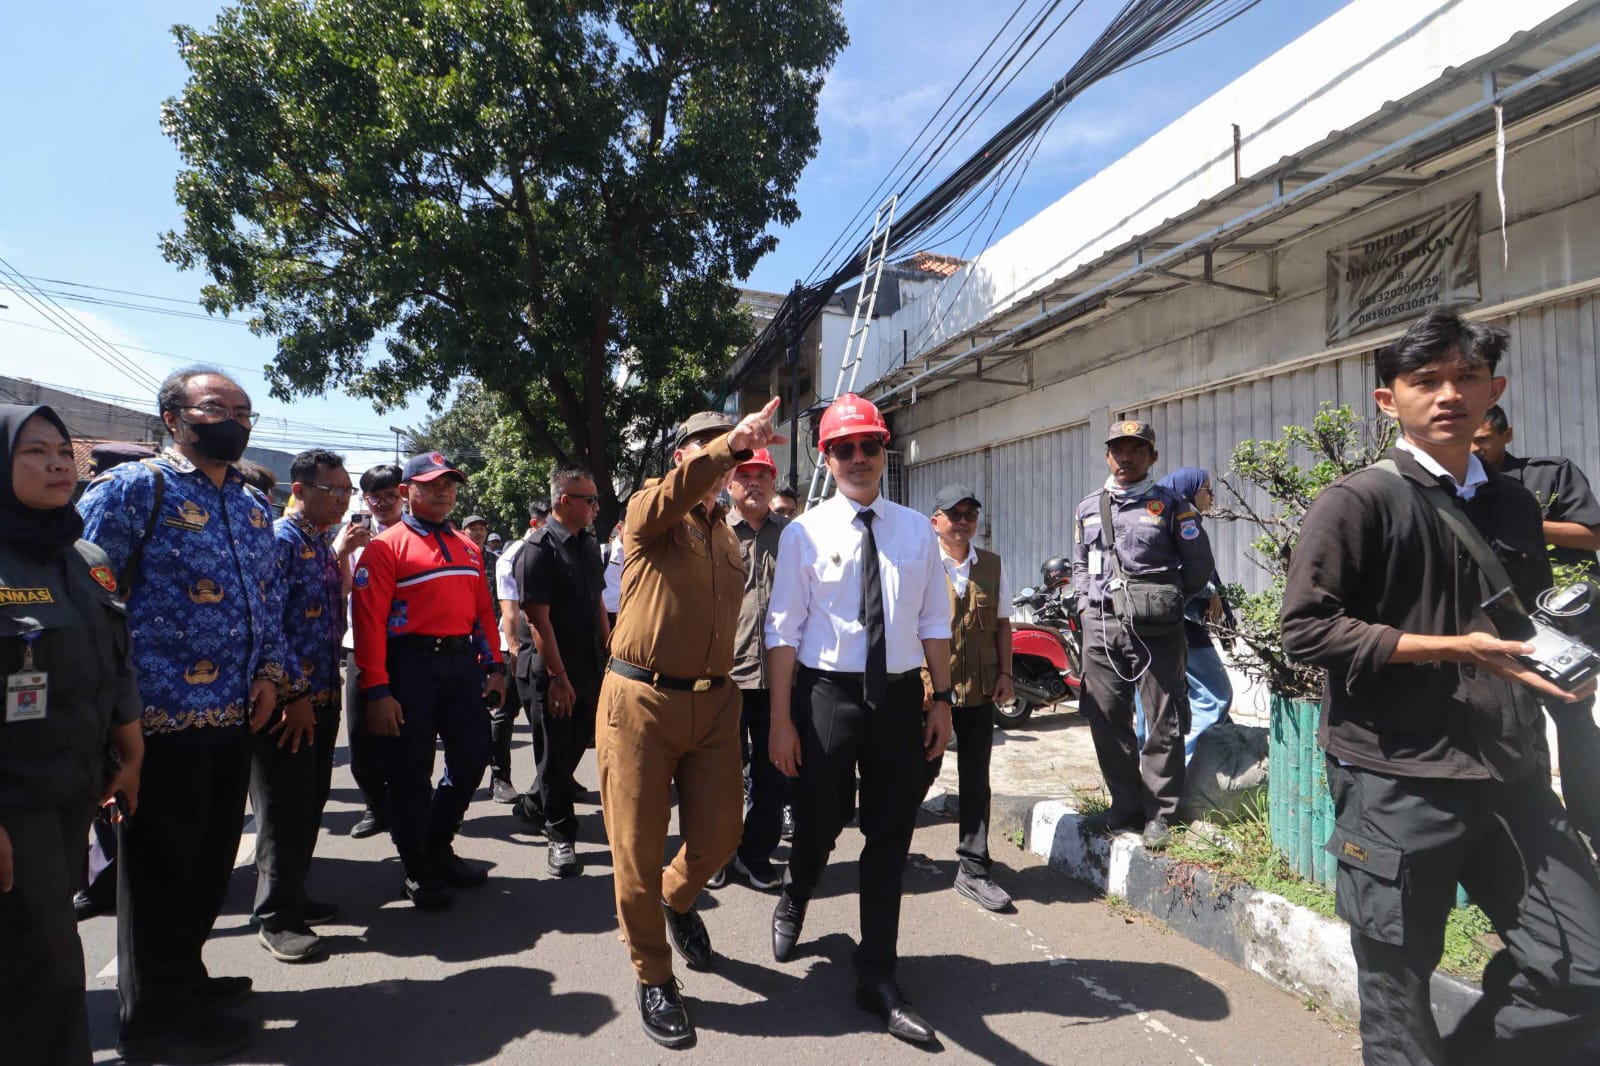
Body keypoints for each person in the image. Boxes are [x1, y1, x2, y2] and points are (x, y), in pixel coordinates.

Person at [1281, 310, 1600, 1065]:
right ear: (1388, 399)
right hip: (1398, 782)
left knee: (1583, 966)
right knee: (1398, 987)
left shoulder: (1518, 504)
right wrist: (1453, 649)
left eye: (1466, 378)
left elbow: (1526, 625)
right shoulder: (1358, 502)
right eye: (1425, 381)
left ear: (1495, 391)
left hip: (1512, 777)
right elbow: (1307, 631)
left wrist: (1559, 670)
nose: (1448, 394)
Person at [79, 367, 286, 1063]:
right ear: (174, 418)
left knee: (206, 865)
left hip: (233, 715)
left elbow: (269, 602)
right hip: (155, 722)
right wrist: (112, 715)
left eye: (241, 410)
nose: (230, 418)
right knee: (161, 872)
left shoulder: (256, 509)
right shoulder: (136, 490)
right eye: (213, 408)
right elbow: (90, 600)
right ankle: (151, 1020)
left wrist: (268, 674)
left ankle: (185, 979)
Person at [766, 392, 954, 1046]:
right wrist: (780, 722)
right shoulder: (803, 533)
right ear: (826, 456)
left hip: (899, 698)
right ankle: (796, 888)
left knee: (889, 837)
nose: (857, 458)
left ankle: (876, 973)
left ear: (884, 451)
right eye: (843, 448)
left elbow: (934, 621)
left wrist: (943, 698)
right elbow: (783, 631)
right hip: (825, 696)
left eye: (868, 445)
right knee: (818, 820)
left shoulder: (914, 531)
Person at [597, 399, 784, 1048]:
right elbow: (676, 492)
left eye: (726, 444)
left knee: (721, 836)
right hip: (641, 703)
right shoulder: (651, 511)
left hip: (715, 704)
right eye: (704, 445)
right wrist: (728, 446)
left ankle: (678, 898)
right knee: (636, 853)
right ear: (685, 455)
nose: (721, 452)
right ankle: (653, 973)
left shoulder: (729, 535)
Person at [0, 405, 144, 1066]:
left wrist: (131, 747)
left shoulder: (86, 559)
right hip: (13, 799)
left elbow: (113, 659)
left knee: (39, 951)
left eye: (64, 450)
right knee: (50, 965)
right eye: (36, 451)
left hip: (75, 786)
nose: (59, 463)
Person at [352, 452, 505, 909]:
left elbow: (483, 612)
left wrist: (495, 666)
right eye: (432, 484)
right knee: (410, 773)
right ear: (406, 492)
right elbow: (368, 624)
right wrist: (376, 690)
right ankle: (418, 868)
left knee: (473, 757)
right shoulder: (385, 548)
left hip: (461, 666)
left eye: (449, 485)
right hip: (409, 666)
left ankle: (437, 843)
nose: (443, 492)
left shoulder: (468, 547)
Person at [1071, 420, 1213, 850]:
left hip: (1158, 628)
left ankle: (1160, 813)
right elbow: (1079, 561)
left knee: (1162, 720)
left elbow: (1198, 567)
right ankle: (1125, 806)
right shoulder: (1088, 508)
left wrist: (1166, 603)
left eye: (1136, 450)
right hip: (1100, 626)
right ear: (1107, 456)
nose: (1125, 458)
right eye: (1117, 450)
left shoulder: (1172, 506)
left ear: (1152, 456)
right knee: (1106, 716)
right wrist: (1083, 603)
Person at [249, 449, 366, 962]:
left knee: (309, 802)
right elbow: (268, 625)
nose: (343, 500)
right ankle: (276, 916)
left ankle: (294, 895)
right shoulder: (278, 541)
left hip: (321, 696)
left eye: (346, 491)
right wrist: (292, 693)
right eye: (333, 491)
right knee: (281, 808)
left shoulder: (319, 543)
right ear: (299, 490)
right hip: (285, 703)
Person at [1472, 404, 1600, 844]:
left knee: (1575, 719)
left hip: (1564, 621)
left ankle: (1592, 826)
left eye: (1483, 440)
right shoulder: (1459, 490)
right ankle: (1544, 830)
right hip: (1502, 625)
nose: (1474, 449)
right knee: (1518, 727)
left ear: (1507, 436)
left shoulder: (1550, 473)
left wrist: (1525, 523)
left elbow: (1593, 535)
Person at [924, 481, 1014, 912]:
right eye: (954, 514)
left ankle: (974, 868)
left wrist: (1007, 674)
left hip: (979, 689)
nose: (962, 522)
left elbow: (1001, 626)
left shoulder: (992, 565)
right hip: (928, 693)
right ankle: (891, 848)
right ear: (935, 520)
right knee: (917, 774)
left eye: (970, 515)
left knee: (976, 780)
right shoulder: (920, 564)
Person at [513, 468, 608, 877]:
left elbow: (598, 602)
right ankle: (560, 834)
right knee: (554, 756)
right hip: (554, 670)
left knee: (579, 741)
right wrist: (557, 678)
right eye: (588, 500)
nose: (595, 508)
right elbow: (537, 622)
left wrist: (611, 651)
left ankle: (535, 802)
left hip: (589, 666)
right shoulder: (538, 549)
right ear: (563, 500)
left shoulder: (587, 544)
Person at [722, 447, 790, 890]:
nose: (754, 483)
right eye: (744, 474)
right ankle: (715, 853)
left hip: (780, 677)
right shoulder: (712, 533)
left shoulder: (793, 536)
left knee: (775, 773)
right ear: (728, 483)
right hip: (724, 674)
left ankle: (754, 853)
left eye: (762, 475)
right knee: (720, 774)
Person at [1134, 467, 1234, 763]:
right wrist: (1207, 589)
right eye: (1207, 490)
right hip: (1184, 624)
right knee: (1216, 695)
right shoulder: (1182, 519)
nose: (1212, 497)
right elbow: (1178, 569)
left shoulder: (1155, 519)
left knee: (1150, 701)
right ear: (1189, 492)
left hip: (1149, 623)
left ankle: (1148, 769)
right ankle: (1183, 764)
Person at [342, 465, 404, 838]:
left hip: (404, 644)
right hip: (359, 644)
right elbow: (342, 589)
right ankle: (373, 806)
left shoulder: (418, 532)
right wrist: (346, 551)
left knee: (407, 729)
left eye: (389, 496)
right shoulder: (350, 536)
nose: (381, 504)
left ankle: (407, 802)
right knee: (361, 731)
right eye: (373, 497)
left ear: (403, 495)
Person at [489, 502, 548, 803]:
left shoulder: (556, 548)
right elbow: (509, 609)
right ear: (535, 523)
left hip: (546, 646)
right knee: (506, 712)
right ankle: (499, 777)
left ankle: (549, 779)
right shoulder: (513, 555)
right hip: (515, 647)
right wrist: (514, 651)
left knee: (547, 717)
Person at [601, 520, 625, 628]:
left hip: (627, 615)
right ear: (620, 528)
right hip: (606, 615)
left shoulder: (639, 555)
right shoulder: (603, 552)